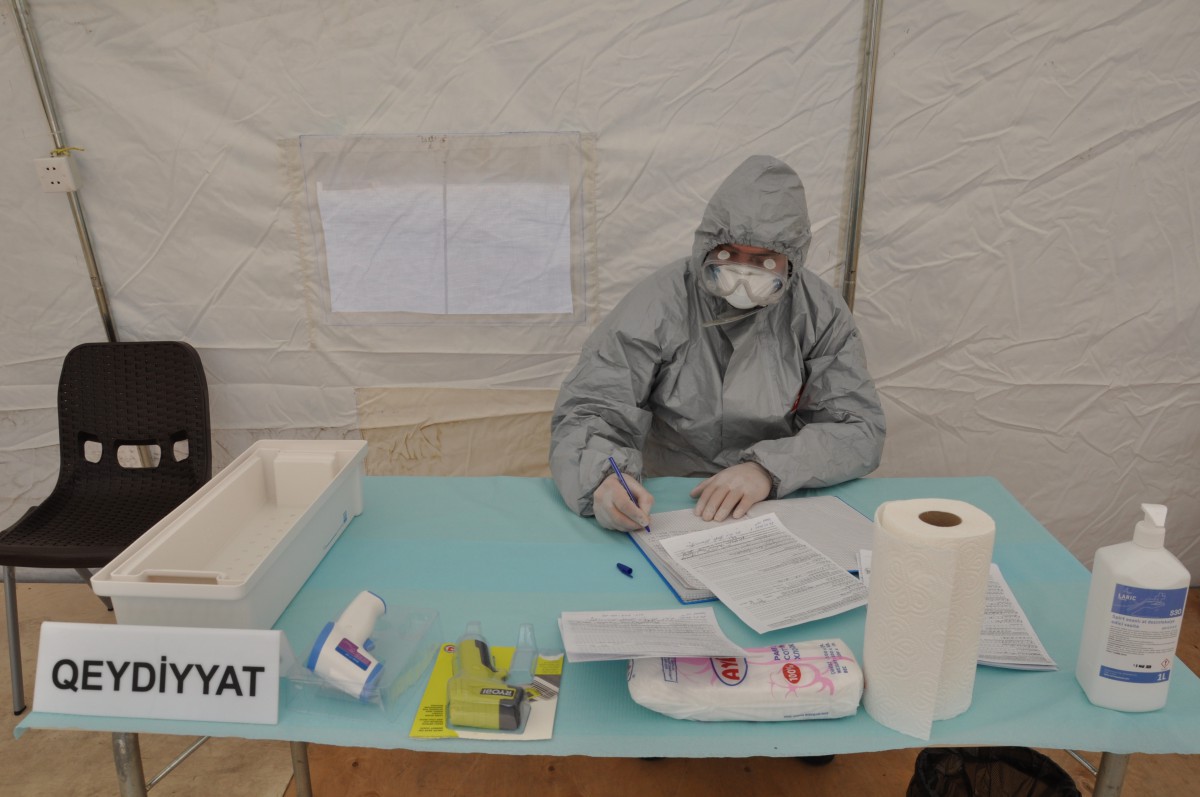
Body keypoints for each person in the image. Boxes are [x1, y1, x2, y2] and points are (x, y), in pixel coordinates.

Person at [550, 155, 885, 532]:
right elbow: (595, 405)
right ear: (708, 243)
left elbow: (857, 427)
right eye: (730, 254)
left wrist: (767, 469)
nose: (743, 274)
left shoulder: (819, 311)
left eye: (763, 261)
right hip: (669, 494)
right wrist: (604, 477)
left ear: (790, 257)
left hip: (773, 495)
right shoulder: (660, 301)